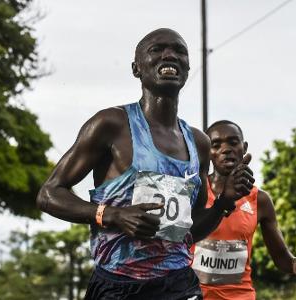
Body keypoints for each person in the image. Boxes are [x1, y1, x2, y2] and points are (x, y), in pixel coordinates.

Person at [36, 28, 254, 300]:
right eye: (157, 49)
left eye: (179, 51)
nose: (169, 55)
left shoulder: (198, 142)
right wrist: (112, 215)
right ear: (136, 68)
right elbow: (49, 194)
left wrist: (223, 203)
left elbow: (189, 231)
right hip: (118, 284)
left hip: (178, 284)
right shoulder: (111, 124)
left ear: (187, 67)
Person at [191, 120, 296, 300]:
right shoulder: (194, 191)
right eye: (216, 145)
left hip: (240, 296)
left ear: (244, 147)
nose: (226, 149)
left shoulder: (260, 200)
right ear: (208, 153)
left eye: (233, 143)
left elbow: (281, 256)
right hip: (195, 295)